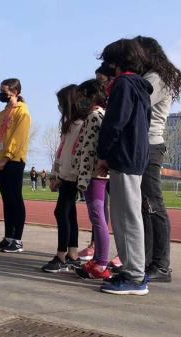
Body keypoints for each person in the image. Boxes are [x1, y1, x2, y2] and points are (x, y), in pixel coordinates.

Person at [96, 38, 152, 295]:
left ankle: (135, 275)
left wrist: (104, 154)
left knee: (125, 217)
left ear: (116, 63)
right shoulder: (139, 87)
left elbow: (114, 124)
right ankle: (133, 268)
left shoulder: (123, 85)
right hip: (135, 155)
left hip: (124, 157)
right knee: (128, 215)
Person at [135, 36, 181, 283]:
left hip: (151, 145)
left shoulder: (156, 78)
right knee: (146, 205)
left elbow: (136, 104)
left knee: (154, 203)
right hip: (145, 144)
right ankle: (149, 260)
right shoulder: (151, 76)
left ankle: (161, 264)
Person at [71, 79, 111, 279]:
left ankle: (102, 262)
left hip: (95, 175)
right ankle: (98, 259)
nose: (80, 101)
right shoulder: (97, 115)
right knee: (98, 216)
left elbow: (89, 148)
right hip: (94, 174)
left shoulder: (95, 116)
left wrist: (83, 174)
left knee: (98, 216)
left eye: (82, 97)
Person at [0, 78, 32, 253]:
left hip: (13, 161)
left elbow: (17, 139)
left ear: (15, 92)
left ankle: (17, 239)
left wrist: (5, 159)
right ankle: (8, 237)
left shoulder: (23, 113)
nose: (1, 94)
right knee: (6, 200)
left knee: (15, 199)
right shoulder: (1, 114)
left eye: (4, 91)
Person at [42, 85, 83, 273]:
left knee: (61, 212)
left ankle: (61, 255)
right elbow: (60, 151)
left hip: (73, 176)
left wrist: (69, 175)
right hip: (65, 175)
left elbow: (78, 153)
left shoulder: (83, 124)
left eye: (61, 103)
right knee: (70, 213)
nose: (59, 107)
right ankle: (72, 254)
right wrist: (54, 174)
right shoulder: (69, 125)